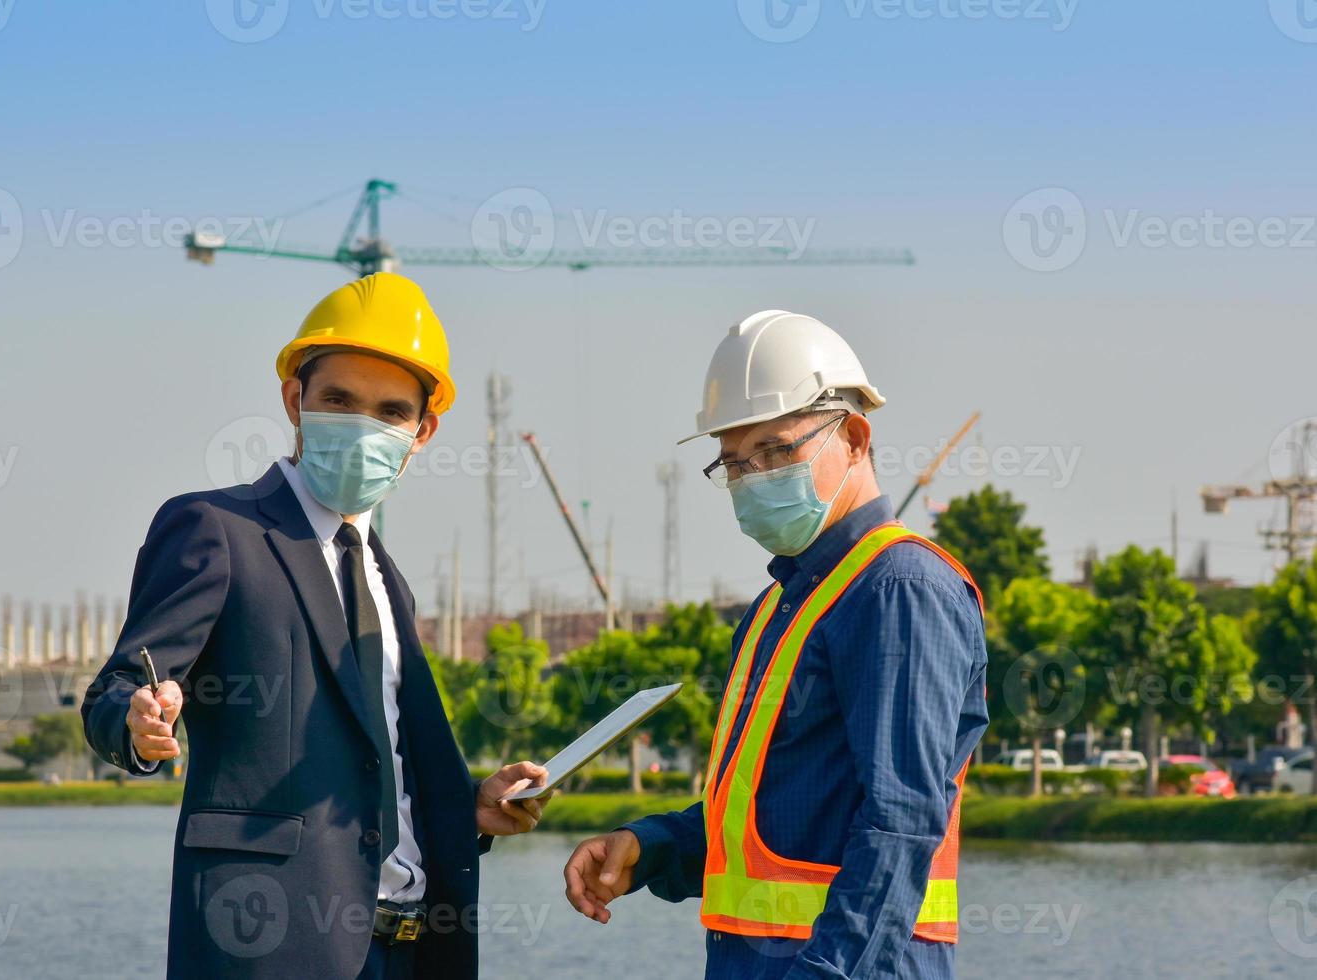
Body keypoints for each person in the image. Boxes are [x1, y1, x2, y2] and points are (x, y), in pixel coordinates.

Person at [83, 272, 550, 980]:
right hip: (270, 946)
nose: (363, 424)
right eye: (339, 400)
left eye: (390, 411)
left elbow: (380, 765)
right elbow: (115, 687)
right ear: (293, 399)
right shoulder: (216, 529)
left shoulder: (388, 582)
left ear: (422, 432)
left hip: (411, 947)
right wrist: (138, 721)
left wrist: (468, 809)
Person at [563, 310, 989, 978]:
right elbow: (767, 824)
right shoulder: (780, 607)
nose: (753, 476)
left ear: (853, 438)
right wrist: (647, 846)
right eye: (734, 462)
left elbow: (900, 823)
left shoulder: (899, 590)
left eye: (776, 451)